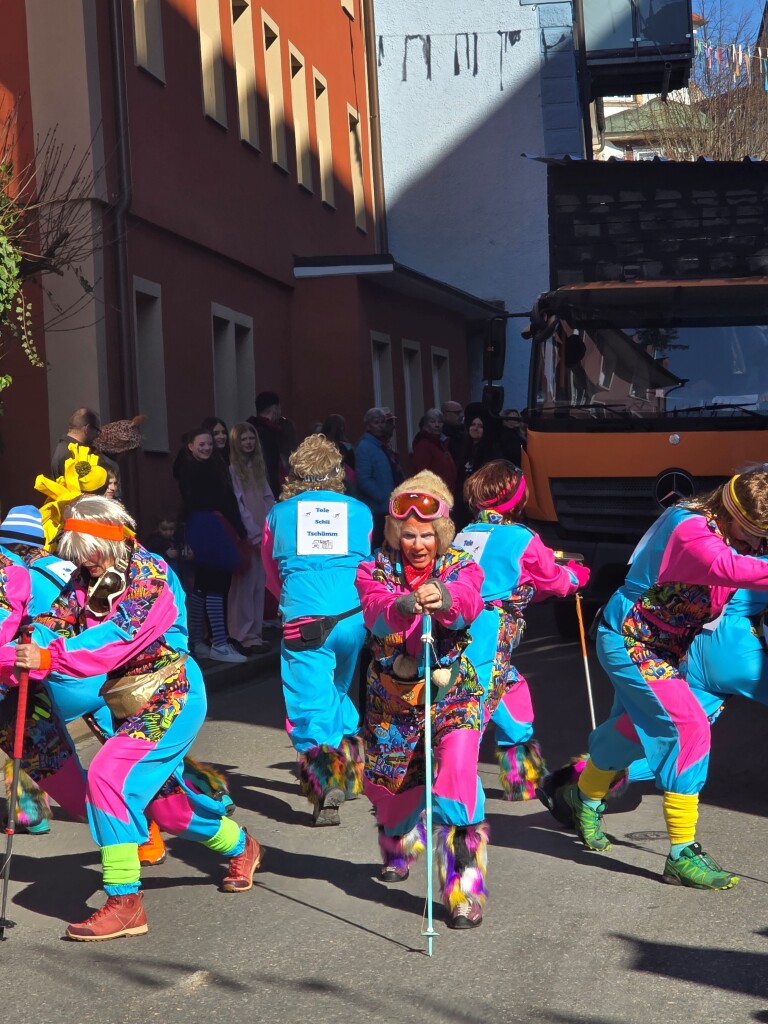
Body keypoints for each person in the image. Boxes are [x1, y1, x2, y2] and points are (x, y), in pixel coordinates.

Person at [10, 495, 264, 941]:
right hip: (129, 701)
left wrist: (49, 656)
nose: (82, 560)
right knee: (170, 810)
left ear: (109, 539)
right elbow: (59, 619)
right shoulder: (89, 577)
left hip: (172, 694)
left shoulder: (151, 575)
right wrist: (27, 639)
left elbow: (118, 638)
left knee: (106, 774)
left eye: (86, 548)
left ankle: (125, 901)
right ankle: (244, 845)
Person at [554, 469, 768, 890]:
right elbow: (732, 568)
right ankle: (681, 854)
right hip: (630, 642)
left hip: (668, 648)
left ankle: (583, 794)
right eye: (755, 535)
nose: (760, 545)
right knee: (688, 726)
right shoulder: (689, 530)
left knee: (634, 731)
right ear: (731, 513)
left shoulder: (726, 531)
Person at [355, 470, 490, 930]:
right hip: (393, 698)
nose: (417, 543)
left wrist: (446, 597)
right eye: (408, 534)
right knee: (393, 796)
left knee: (456, 781)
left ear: (443, 532)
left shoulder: (462, 564)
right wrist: (401, 606)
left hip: (453, 690)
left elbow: (469, 601)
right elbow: (374, 609)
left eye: (427, 534)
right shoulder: (375, 566)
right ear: (395, 532)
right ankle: (396, 837)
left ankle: (463, 890)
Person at [455, 461, 589, 799]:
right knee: (478, 701)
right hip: (492, 628)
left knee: (510, 689)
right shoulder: (521, 537)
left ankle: (523, 776)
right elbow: (552, 580)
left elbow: (521, 582)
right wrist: (574, 576)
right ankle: (454, 784)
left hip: (463, 623)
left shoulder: (465, 532)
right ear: (515, 498)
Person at [262, 434, 372, 826]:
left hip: (305, 619)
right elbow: (367, 563)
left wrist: (289, 601)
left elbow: (270, 571)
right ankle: (353, 770)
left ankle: (327, 782)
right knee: (337, 690)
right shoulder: (360, 511)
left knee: (309, 703)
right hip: (353, 617)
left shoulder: (280, 513)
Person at [174, 427, 247, 663]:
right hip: (206, 525)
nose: (206, 448)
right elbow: (224, 500)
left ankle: (199, 641)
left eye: (209, 444)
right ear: (191, 446)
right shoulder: (191, 469)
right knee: (214, 582)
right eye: (201, 444)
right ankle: (219, 642)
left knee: (204, 585)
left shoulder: (211, 465)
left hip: (208, 524)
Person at [228, 422, 274, 654]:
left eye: (251, 439)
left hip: (261, 531)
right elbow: (239, 503)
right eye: (243, 439)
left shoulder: (257, 466)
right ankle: (241, 633)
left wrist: (270, 527)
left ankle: (255, 632)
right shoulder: (234, 469)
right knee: (244, 586)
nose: (248, 443)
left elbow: (267, 497)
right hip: (247, 533)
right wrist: (251, 530)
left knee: (258, 583)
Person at [355, 407, 404, 547]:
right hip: (377, 508)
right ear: (368, 425)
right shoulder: (364, 447)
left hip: (390, 506)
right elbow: (364, 479)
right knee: (378, 545)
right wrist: (383, 497)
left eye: (383, 422)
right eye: (377, 422)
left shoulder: (383, 446)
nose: (381, 426)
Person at [454, 405, 497, 529]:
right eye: (473, 424)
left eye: (480, 426)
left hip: (480, 504)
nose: (475, 428)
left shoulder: (491, 451)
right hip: (463, 505)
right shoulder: (464, 449)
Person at [248, 391, 286, 498]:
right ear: (276, 409)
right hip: (269, 488)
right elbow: (272, 465)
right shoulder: (269, 432)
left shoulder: (248, 429)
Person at [410, 409, 457, 492]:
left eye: (440, 422)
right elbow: (421, 471)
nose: (437, 425)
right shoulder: (424, 445)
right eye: (433, 422)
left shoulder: (442, 443)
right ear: (425, 425)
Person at [51, 408, 102, 477]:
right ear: (87, 429)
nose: (98, 435)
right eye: (97, 431)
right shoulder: (73, 454)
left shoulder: (62, 448)